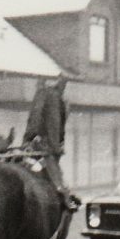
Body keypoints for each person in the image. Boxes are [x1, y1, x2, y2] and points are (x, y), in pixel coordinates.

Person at [22, 76, 79, 211]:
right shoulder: (53, 97)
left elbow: (34, 120)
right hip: (44, 145)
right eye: (64, 83)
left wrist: (27, 139)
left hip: (35, 143)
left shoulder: (44, 94)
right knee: (56, 177)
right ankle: (64, 197)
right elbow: (53, 125)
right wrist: (55, 148)